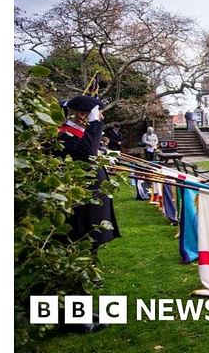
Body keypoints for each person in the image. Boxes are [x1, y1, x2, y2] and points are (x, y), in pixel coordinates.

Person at [55, 95, 119, 333]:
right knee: (76, 260)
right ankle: (73, 318)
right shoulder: (66, 135)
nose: (99, 119)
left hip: (89, 210)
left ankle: (79, 310)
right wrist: (94, 125)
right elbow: (86, 157)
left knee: (86, 259)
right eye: (95, 115)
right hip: (78, 211)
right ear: (82, 114)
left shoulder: (77, 134)